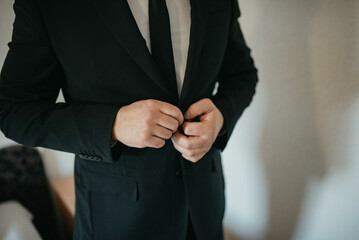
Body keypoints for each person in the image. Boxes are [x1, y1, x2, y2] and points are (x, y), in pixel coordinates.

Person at [0, 0, 258, 239]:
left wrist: (221, 117)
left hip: (203, 207)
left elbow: (242, 74)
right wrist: (111, 125)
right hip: (116, 218)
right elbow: (13, 110)